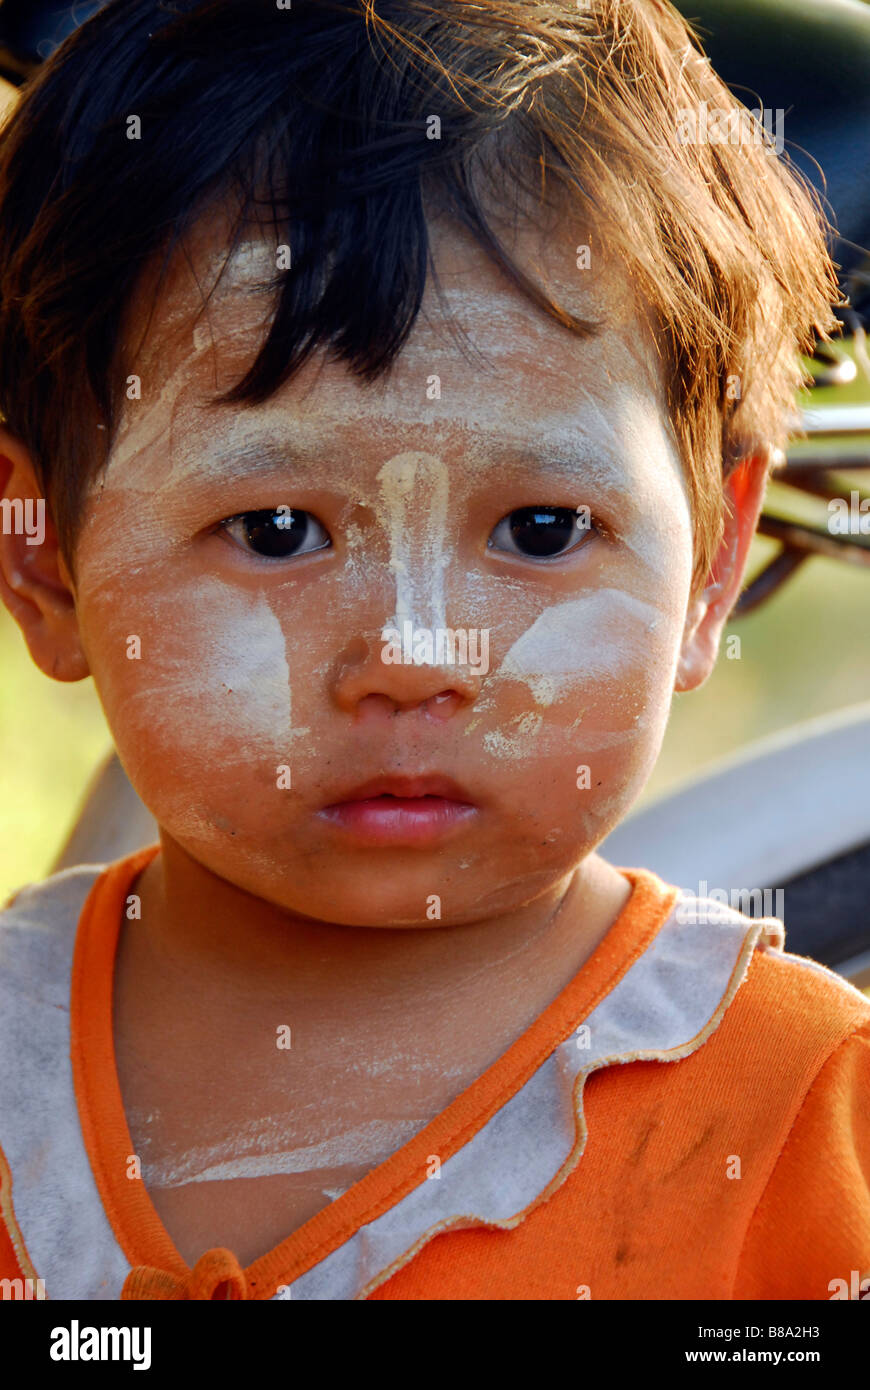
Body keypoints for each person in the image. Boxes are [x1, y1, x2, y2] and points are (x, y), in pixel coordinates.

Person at [0, 0, 867, 1302]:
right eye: (277, 528)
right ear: (40, 558)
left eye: (537, 526)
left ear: (706, 571)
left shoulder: (804, 1117)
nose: (413, 653)